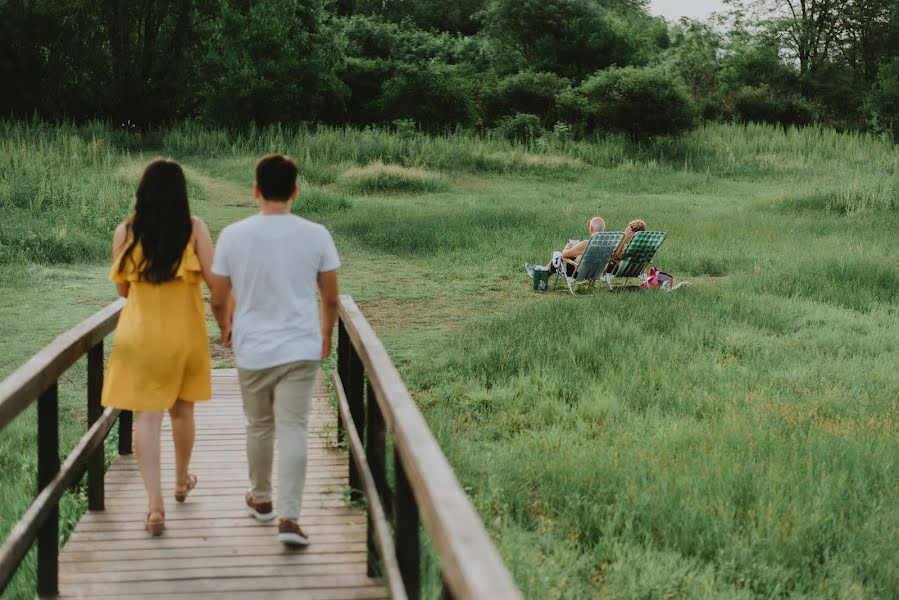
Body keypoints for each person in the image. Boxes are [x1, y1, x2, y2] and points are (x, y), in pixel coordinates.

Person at [209, 153, 340, 548]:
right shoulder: (316, 234)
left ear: (255, 190)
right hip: (300, 346)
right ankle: (289, 516)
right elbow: (330, 297)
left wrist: (226, 327)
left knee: (259, 425)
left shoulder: (233, 235)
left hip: (253, 347)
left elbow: (218, 296)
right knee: (294, 428)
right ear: (295, 191)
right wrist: (326, 333)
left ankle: (261, 499)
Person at [101, 158, 215, 536]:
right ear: (181, 192)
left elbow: (122, 289)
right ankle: (182, 481)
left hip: (140, 335)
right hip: (184, 334)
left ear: (143, 192)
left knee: (146, 418)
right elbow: (215, 281)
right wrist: (228, 317)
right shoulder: (194, 228)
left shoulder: (126, 232)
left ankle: (154, 507)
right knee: (182, 412)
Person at [525, 216, 605, 279]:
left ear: (591, 228)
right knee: (573, 257)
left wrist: (567, 247)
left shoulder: (587, 244)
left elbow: (564, 255)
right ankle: (540, 271)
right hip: (595, 273)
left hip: (578, 273)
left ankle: (540, 276)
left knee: (557, 258)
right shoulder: (606, 244)